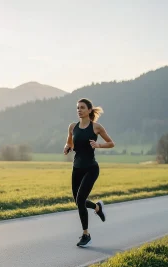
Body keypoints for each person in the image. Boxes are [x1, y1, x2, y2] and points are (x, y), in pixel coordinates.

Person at [63, 98, 115, 248]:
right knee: (78, 201)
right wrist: (67, 147)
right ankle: (97, 208)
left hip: (91, 168)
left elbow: (111, 143)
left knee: (80, 200)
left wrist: (98, 144)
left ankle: (86, 235)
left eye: (82, 107)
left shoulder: (96, 127)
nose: (79, 110)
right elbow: (69, 142)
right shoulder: (73, 127)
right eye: (77, 107)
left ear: (89, 110)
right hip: (77, 168)